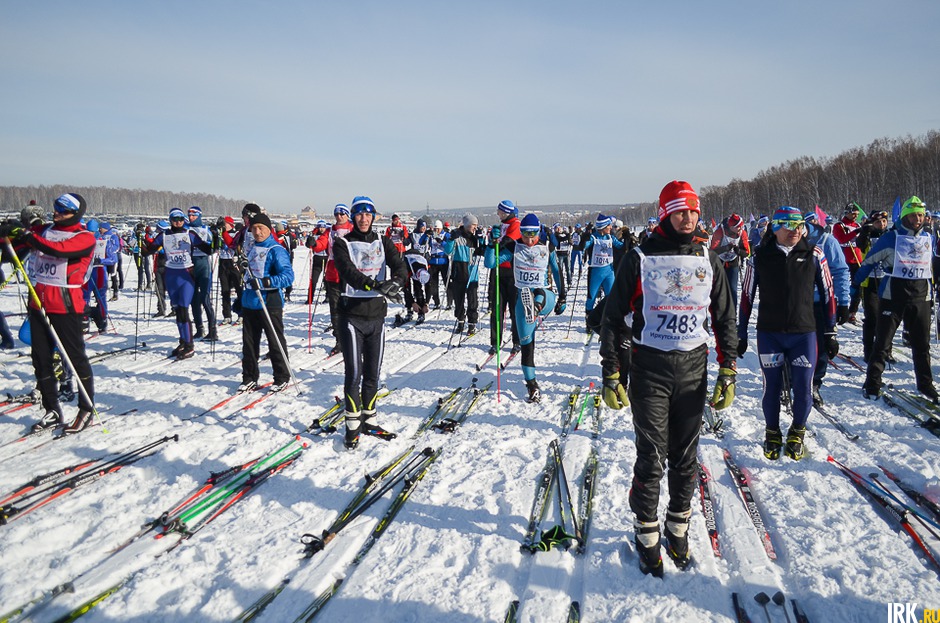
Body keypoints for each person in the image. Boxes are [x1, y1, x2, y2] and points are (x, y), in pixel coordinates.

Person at [599, 181, 737, 577]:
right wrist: (612, 371)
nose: (689, 218)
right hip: (650, 370)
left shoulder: (707, 258)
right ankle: (646, 534)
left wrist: (728, 369)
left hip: (694, 369)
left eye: (693, 211)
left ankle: (678, 527)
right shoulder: (640, 257)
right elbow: (612, 320)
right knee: (652, 458)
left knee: (686, 458)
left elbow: (725, 317)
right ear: (665, 214)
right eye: (680, 212)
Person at [739, 206, 837, 462]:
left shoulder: (814, 254)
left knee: (803, 387)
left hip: (804, 333)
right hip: (770, 333)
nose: (795, 230)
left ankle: (797, 432)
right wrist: (741, 332)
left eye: (799, 225)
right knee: (771, 386)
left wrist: (830, 331)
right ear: (775, 228)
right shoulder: (759, 256)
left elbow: (828, 294)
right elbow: (747, 296)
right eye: (788, 225)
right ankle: (772, 431)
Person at [0, 193, 98, 433]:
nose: (57, 213)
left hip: (65, 306)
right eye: (56, 208)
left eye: (63, 210)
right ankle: (51, 409)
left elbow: (58, 251)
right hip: (38, 303)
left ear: (76, 213)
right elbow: (13, 252)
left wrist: (27, 235)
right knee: (41, 360)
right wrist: (7, 235)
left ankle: (86, 409)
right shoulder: (43, 230)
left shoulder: (84, 237)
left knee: (75, 359)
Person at [331, 196, 408, 449]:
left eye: (368, 214)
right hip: (351, 316)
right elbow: (348, 273)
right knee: (354, 374)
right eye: (359, 214)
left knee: (373, 374)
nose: (364, 219)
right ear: (353, 217)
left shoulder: (383, 241)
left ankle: (369, 420)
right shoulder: (342, 242)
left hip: (376, 316)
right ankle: (352, 427)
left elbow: (400, 267)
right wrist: (377, 285)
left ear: (374, 216)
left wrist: (396, 282)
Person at [855, 197, 937, 402]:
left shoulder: (927, 237)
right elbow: (868, 262)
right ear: (904, 216)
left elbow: (932, 266)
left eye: (920, 215)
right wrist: (855, 286)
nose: (917, 219)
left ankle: (925, 385)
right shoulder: (891, 237)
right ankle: (872, 382)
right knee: (882, 343)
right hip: (893, 296)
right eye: (913, 215)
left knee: (922, 345)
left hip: (921, 297)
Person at [484, 213, 566, 403]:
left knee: (544, 295)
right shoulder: (514, 246)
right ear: (520, 233)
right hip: (522, 297)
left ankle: (536, 307)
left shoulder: (546, 246)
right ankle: (532, 385)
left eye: (533, 236)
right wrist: (491, 244)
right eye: (525, 236)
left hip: (543, 295)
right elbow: (490, 263)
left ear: (538, 232)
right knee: (527, 343)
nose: (529, 241)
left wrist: (562, 297)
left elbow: (556, 269)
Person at [238, 213, 295, 394]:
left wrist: (265, 282)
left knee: (275, 341)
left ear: (269, 229)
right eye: (254, 228)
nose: (257, 232)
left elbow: (288, 276)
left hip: (269, 302)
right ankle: (249, 377)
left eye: (261, 228)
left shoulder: (276, 249)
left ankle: (282, 376)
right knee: (249, 343)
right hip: (250, 301)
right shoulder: (252, 248)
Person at [144, 208, 212, 359]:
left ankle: (189, 345)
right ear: (170, 220)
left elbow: (207, 249)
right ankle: (183, 341)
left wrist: (216, 239)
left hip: (186, 274)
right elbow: (149, 250)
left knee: (183, 309)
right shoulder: (164, 235)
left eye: (181, 219)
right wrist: (144, 241)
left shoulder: (190, 234)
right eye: (175, 219)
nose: (178, 222)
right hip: (171, 275)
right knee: (177, 310)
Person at [802, 211, 850, 407]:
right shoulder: (788, 241)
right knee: (792, 344)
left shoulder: (827, 241)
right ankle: (788, 382)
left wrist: (844, 302)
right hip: (796, 303)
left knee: (822, 345)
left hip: (821, 302)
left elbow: (840, 271)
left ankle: (814, 384)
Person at [855, 210, 891, 362]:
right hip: (870, 281)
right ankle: (868, 350)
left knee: (888, 317)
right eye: (878, 222)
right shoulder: (868, 234)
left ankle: (886, 350)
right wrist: (864, 231)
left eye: (884, 221)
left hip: (887, 280)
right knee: (872, 317)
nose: (881, 225)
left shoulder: (890, 235)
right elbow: (859, 245)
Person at [489, 200, 522, 356]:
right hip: (498, 271)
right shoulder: (501, 225)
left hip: (512, 272)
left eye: (500, 212)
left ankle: (517, 341)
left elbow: (509, 242)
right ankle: (495, 342)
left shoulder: (516, 224)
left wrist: (497, 241)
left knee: (515, 309)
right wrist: (490, 241)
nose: (498, 214)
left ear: (506, 212)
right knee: (497, 308)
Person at [444, 214, 483, 336]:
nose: (475, 228)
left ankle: (472, 324)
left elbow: (482, 250)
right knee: (459, 300)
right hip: (459, 272)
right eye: (473, 225)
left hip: (472, 273)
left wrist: (481, 239)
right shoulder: (457, 235)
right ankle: (460, 321)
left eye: (476, 225)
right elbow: (447, 251)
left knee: (472, 301)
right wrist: (450, 240)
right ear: (466, 225)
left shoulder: (475, 238)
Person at [582, 213, 624, 328]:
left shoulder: (610, 237)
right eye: (609, 226)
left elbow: (621, 246)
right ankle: (589, 320)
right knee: (592, 297)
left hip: (609, 271)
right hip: (596, 271)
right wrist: (584, 238)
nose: (611, 228)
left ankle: (608, 320)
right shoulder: (594, 237)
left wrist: (629, 241)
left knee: (611, 297)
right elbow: (584, 246)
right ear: (603, 227)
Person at [187, 206, 218, 340]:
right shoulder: (186, 229)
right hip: (190, 265)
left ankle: (213, 330)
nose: (191, 217)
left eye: (194, 215)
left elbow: (214, 248)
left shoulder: (206, 230)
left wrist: (216, 236)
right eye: (189, 215)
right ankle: (199, 329)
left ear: (199, 216)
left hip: (203, 264)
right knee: (193, 300)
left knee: (205, 299)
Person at [709, 213, 750, 310]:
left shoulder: (742, 233)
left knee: (732, 289)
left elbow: (747, 252)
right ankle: (719, 312)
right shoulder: (720, 232)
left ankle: (732, 313)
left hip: (733, 263)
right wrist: (725, 248)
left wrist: (738, 251)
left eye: (741, 227)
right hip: (719, 263)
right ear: (731, 226)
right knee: (719, 289)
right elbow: (712, 251)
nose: (740, 229)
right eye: (737, 227)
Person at [832, 202, 864, 322]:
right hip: (844, 259)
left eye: (857, 214)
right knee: (842, 285)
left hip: (857, 258)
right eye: (853, 214)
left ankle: (852, 311)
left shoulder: (856, 225)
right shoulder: (839, 226)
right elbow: (841, 239)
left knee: (858, 286)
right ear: (847, 213)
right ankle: (837, 307)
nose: (856, 216)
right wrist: (854, 233)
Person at [218, 216, 242, 324]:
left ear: (230, 224)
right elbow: (214, 246)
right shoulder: (221, 234)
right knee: (225, 291)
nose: (223, 226)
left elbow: (232, 244)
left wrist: (223, 234)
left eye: (225, 224)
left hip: (234, 263)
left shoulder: (235, 234)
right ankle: (227, 315)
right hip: (223, 263)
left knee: (239, 289)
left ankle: (241, 314)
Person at [304, 220, 330, 306]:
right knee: (313, 280)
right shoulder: (314, 234)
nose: (322, 229)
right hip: (317, 258)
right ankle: (310, 298)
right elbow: (308, 245)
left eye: (323, 227)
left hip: (327, 258)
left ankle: (328, 297)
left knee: (327, 279)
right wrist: (309, 242)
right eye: (320, 227)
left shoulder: (328, 235)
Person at [553, 223, 572, 292]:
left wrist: (569, 235)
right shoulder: (556, 235)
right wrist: (568, 235)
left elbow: (570, 241)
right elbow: (560, 239)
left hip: (566, 253)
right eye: (557, 228)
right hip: (560, 254)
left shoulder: (565, 234)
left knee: (568, 269)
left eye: (559, 228)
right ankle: (561, 283)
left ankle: (569, 282)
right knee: (560, 270)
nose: (559, 229)